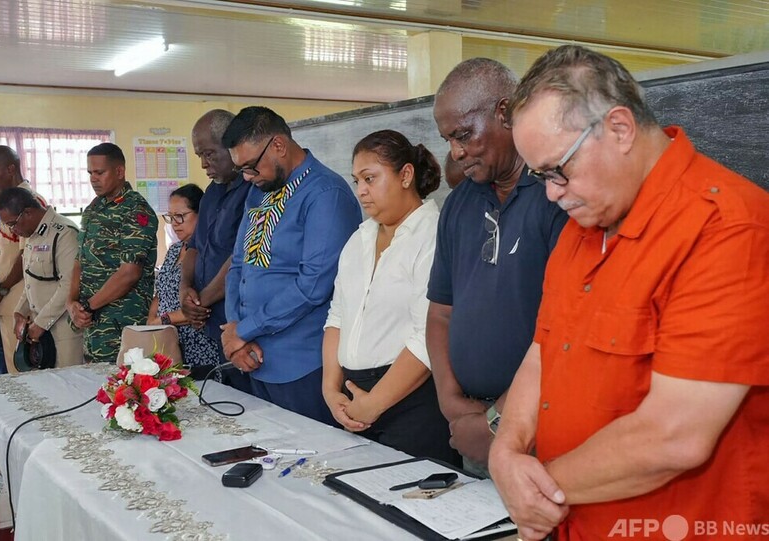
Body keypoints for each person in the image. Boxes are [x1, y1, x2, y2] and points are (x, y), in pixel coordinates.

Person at [489, 45, 769, 540]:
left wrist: (536, 490)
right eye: (540, 177)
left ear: (619, 129)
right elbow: (542, 353)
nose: (552, 192)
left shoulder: (728, 228)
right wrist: (506, 451)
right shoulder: (582, 229)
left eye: (558, 169)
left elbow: (674, 436)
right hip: (576, 521)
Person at [427, 58, 568, 475]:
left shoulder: (557, 196)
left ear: (505, 113)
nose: (456, 152)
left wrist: (498, 421)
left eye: (464, 134)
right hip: (470, 425)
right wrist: (449, 400)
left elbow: (565, 333)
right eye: (448, 139)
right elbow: (440, 312)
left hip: (540, 423)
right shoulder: (459, 203)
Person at [322, 130, 459, 464]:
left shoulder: (432, 236)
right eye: (356, 181)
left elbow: (426, 335)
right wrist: (330, 388)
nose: (361, 192)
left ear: (406, 176)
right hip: (352, 394)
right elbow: (337, 316)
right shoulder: (360, 238)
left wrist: (375, 403)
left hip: (411, 400)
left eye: (370, 178)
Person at [221, 106, 361, 423]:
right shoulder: (259, 190)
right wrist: (235, 331)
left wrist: (244, 329)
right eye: (241, 169)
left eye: (251, 167)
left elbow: (313, 286)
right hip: (253, 358)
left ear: (279, 146)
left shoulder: (325, 194)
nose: (246, 177)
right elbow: (239, 264)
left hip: (303, 366)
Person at [180, 110, 252, 390]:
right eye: (200, 155)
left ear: (232, 145)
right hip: (210, 324)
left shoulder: (253, 192)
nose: (203, 164)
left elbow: (241, 257)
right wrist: (185, 289)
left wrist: (201, 301)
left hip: (239, 324)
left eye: (209, 154)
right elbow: (195, 247)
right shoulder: (211, 192)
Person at [68, 143, 158, 363]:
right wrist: (71, 303)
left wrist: (88, 306)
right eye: (90, 173)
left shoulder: (135, 210)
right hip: (92, 326)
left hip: (121, 326)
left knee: (124, 390)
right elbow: (80, 260)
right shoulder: (93, 209)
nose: (93, 179)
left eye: (99, 172)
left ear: (119, 172)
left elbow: (129, 272)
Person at [0, 187, 84, 368]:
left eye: (12, 224)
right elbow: (31, 281)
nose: (12, 231)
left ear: (27, 212)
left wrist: (42, 324)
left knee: (67, 388)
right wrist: (20, 311)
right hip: (40, 332)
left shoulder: (65, 233)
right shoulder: (33, 235)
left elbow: (69, 285)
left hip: (64, 331)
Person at [0, 145, 46, 374]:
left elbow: (26, 253)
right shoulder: (7, 203)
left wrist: (3, 288)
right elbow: (4, 247)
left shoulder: (30, 202)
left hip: (22, 300)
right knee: (11, 367)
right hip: (7, 299)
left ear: (10, 169)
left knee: (24, 370)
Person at [149, 184, 223, 378]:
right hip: (167, 341)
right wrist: (150, 323)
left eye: (181, 216)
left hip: (198, 344)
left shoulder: (209, 254)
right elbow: (162, 290)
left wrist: (163, 320)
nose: (175, 223)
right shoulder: (174, 250)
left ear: (201, 214)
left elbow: (202, 306)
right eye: (170, 217)